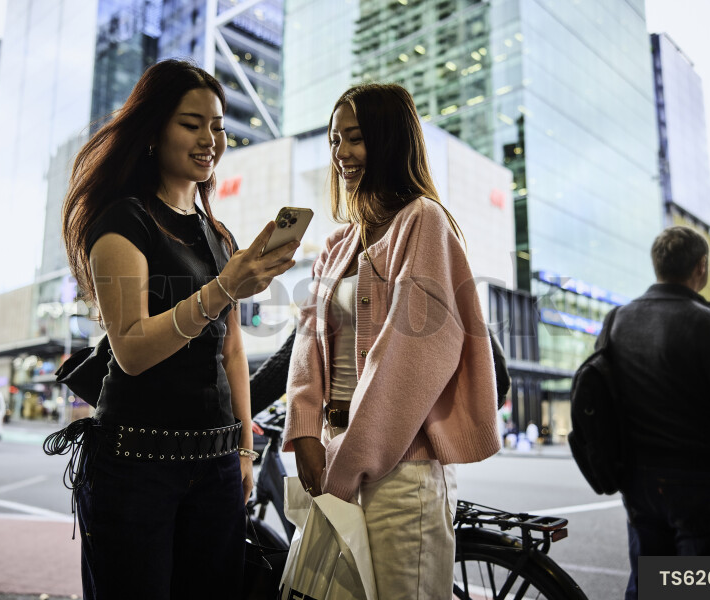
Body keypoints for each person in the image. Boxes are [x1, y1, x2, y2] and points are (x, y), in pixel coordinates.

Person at [51, 59, 298, 598]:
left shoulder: (218, 235)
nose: (210, 138)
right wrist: (224, 288)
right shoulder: (121, 221)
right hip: (134, 468)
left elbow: (232, 351)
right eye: (192, 123)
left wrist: (242, 449)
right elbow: (134, 349)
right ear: (153, 129)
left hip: (215, 468)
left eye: (218, 125)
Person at [283, 83, 500, 598]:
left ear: (390, 142)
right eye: (335, 141)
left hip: (403, 475)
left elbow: (408, 359)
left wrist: (347, 461)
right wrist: (306, 432)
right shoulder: (336, 245)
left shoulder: (424, 221)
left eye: (355, 139)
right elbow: (306, 346)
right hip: (336, 457)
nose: (341, 154)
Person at [606, 226, 710, 599]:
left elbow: (603, 402)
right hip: (702, 485)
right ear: (701, 267)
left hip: (640, 485)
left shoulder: (617, 321)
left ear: (657, 266)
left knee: (650, 586)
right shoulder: (709, 324)